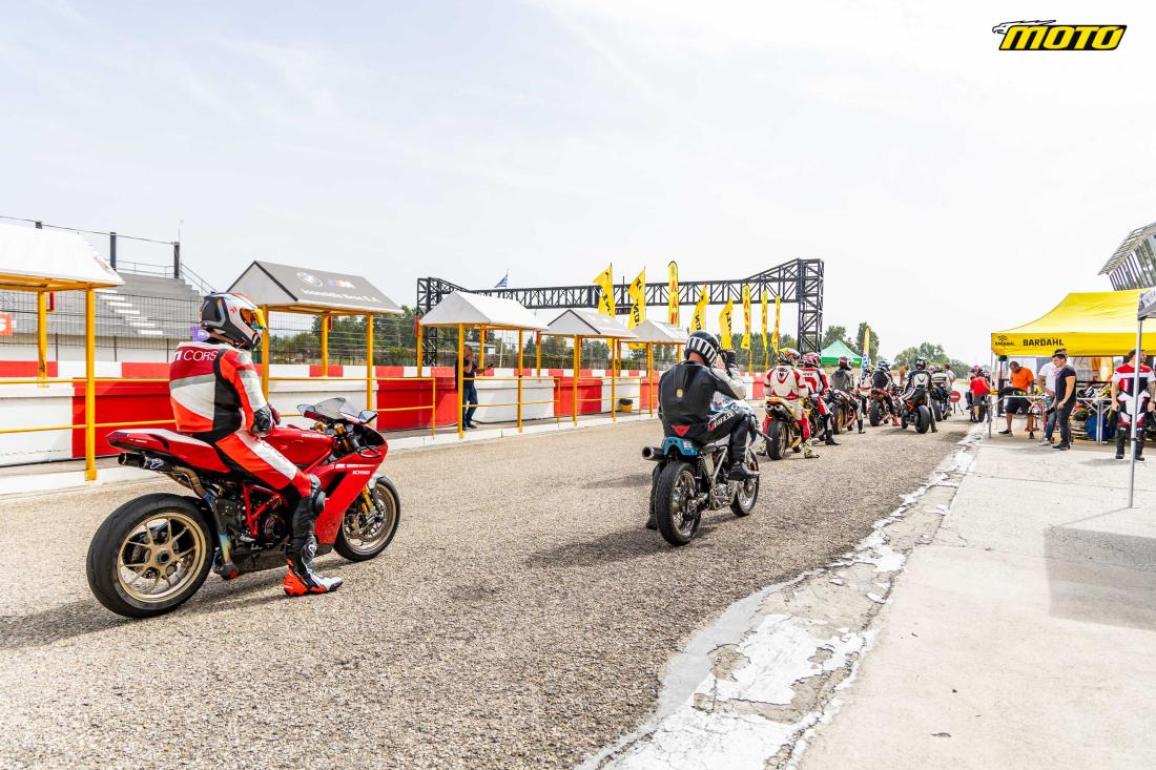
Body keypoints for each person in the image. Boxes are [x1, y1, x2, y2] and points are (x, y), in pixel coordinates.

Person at [170, 292, 341, 596]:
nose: (255, 328)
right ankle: (301, 575)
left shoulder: (183, 352)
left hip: (193, 440)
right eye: (251, 320)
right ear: (233, 318)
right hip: (230, 441)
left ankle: (233, 555)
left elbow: (209, 396)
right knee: (306, 488)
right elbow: (261, 423)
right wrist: (265, 414)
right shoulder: (235, 357)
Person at [658, 331, 757, 481]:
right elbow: (741, 392)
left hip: (670, 431)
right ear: (711, 351)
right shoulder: (711, 373)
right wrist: (731, 364)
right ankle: (737, 464)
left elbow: (661, 410)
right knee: (744, 412)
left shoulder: (666, 374)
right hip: (700, 431)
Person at [764, 347, 818, 459]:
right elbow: (803, 393)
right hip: (792, 403)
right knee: (804, 422)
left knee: (767, 420)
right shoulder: (798, 373)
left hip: (774, 401)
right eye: (795, 358)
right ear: (789, 358)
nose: (796, 361)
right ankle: (808, 451)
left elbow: (766, 392)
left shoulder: (769, 372)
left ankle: (762, 446)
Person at [1110, 349, 1155, 461]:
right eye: (1143, 355)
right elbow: (1114, 386)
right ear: (1134, 356)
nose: (1145, 356)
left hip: (1141, 402)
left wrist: (1152, 401)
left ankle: (1138, 454)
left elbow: (1152, 386)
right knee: (1121, 428)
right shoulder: (1120, 370)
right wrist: (1114, 401)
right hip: (1124, 401)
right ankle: (1120, 452)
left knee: (1141, 430)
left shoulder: (1148, 370)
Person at [800, 352, 838, 445]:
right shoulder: (819, 371)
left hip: (800, 398)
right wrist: (824, 393)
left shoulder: (799, 371)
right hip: (814, 398)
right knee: (827, 415)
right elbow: (826, 387)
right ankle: (829, 438)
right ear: (815, 360)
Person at [901, 357, 938, 433]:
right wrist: (931, 390)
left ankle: (906, 414)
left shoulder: (912, 373)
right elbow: (930, 385)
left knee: (902, 399)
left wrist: (904, 392)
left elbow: (908, 384)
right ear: (924, 365)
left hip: (914, 392)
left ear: (916, 364)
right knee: (930, 408)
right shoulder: (928, 373)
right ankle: (934, 428)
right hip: (925, 393)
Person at [999, 361, 1035, 437]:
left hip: (1023, 394)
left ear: (1017, 366)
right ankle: (1009, 430)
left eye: (1013, 369)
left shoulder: (1027, 371)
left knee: (1029, 412)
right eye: (1011, 369)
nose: (1012, 370)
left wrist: (1032, 393)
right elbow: (1011, 381)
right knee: (1008, 411)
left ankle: (1031, 432)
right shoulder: (1012, 372)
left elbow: (1031, 382)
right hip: (1014, 394)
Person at [1051, 351, 1077, 451]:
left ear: (1063, 359)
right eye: (1053, 360)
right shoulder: (1061, 370)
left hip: (1067, 400)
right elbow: (1059, 388)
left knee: (1063, 421)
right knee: (1062, 422)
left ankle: (1065, 443)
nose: (1054, 362)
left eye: (1056, 360)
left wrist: (1064, 401)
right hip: (1060, 399)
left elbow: (1070, 387)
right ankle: (1064, 442)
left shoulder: (1069, 370)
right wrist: (1055, 401)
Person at [1038, 352, 1060, 445]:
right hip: (1050, 396)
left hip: (1062, 396)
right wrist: (1047, 391)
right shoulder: (1047, 366)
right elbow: (1039, 380)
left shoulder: (1067, 367)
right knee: (1052, 417)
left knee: (1064, 417)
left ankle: (1066, 439)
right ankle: (1047, 437)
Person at [456, 345, 480, 429]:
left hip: (471, 385)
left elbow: (476, 370)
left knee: (474, 402)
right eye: (470, 350)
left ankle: (467, 420)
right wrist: (470, 361)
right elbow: (468, 370)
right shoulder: (460, 360)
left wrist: (486, 368)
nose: (471, 352)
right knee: (463, 405)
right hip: (463, 385)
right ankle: (462, 424)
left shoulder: (470, 360)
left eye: (471, 350)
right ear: (465, 351)